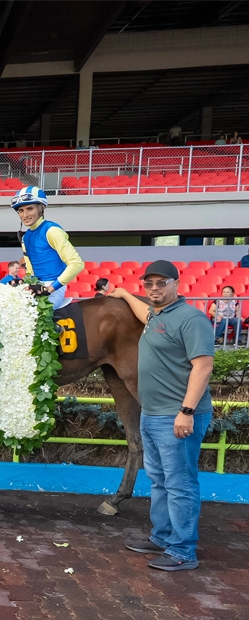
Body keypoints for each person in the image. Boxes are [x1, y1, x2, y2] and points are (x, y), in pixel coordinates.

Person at [109, 261, 214, 571]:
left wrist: (186, 412)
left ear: (176, 283)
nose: (154, 288)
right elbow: (144, 312)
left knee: (180, 484)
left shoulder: (191, 319)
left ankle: (182, 550)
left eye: (161, 283)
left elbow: (203, 367)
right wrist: (126, 294)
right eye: (149, 284)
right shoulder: (157, 315)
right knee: (159, 480)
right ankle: (163, 536)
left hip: (176, 417)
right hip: (152, 414)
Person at [11, 187, 84, 310]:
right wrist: (23, 283)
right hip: (37, 286)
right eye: (21, 210)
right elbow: (31, 272)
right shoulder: (25, 238)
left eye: (30, 209)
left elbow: (77, 264)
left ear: (41, 207)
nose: (25, 215)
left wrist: (48, 289)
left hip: (54, 287)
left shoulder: (52, 230)